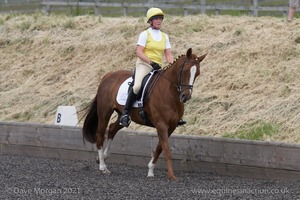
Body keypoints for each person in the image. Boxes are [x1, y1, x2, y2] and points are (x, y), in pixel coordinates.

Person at [119, 7, 186, 127]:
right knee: (137, 85)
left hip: (158, 67)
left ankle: (176, 115)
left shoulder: (165, 36)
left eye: (161, 18)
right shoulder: (145, 34)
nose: (159, 21)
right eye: (156, 19)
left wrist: (171, 66)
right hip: (144, 65)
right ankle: (125, 113)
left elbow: (168, 54)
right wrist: (151, 62)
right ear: (150, 21)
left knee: (172, 86)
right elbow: (138, 52)